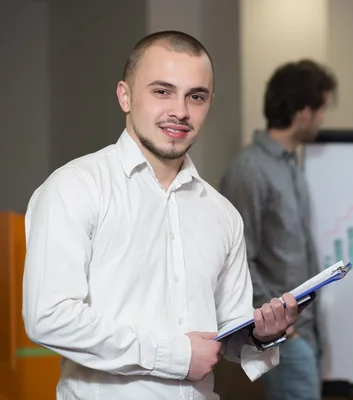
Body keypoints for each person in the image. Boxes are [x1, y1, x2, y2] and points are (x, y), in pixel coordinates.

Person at [21, 30, 309, 400]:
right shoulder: (74, 188)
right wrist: (174, 355)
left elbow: (226, 335)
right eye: (162, 92)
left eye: (196, 96)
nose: (180, 111)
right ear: (125, 95)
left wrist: (261, 335)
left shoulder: (222, 214)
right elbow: (49, 317)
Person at [219, 59, 338, 400]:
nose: (322, 119)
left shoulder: (292, 165)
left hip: (307, 334)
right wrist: (283, 328)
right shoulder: (250, 169)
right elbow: (237, 257)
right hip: (284, 337)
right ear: (304, 112)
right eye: (321, 109)